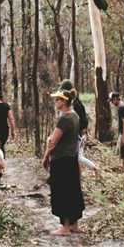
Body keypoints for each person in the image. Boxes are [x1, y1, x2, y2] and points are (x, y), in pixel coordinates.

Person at [41, 88, 85, 237]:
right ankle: (74, 224)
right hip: (72, 159)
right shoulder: (75, 116)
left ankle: (65, 227)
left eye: (58, 99)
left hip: (61, 160)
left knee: (62, 192)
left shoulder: (65, 119)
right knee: (73, 190)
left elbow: (53, 141)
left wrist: (46, 156)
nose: (56, 102)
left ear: (64, 101)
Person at [58, 79, 97, 172]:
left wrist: (81, 134)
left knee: (78, 157)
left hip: (77, 135)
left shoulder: (75, 105)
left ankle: (94, 168)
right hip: (77, 135)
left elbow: (82, 121)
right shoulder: (75, 103)